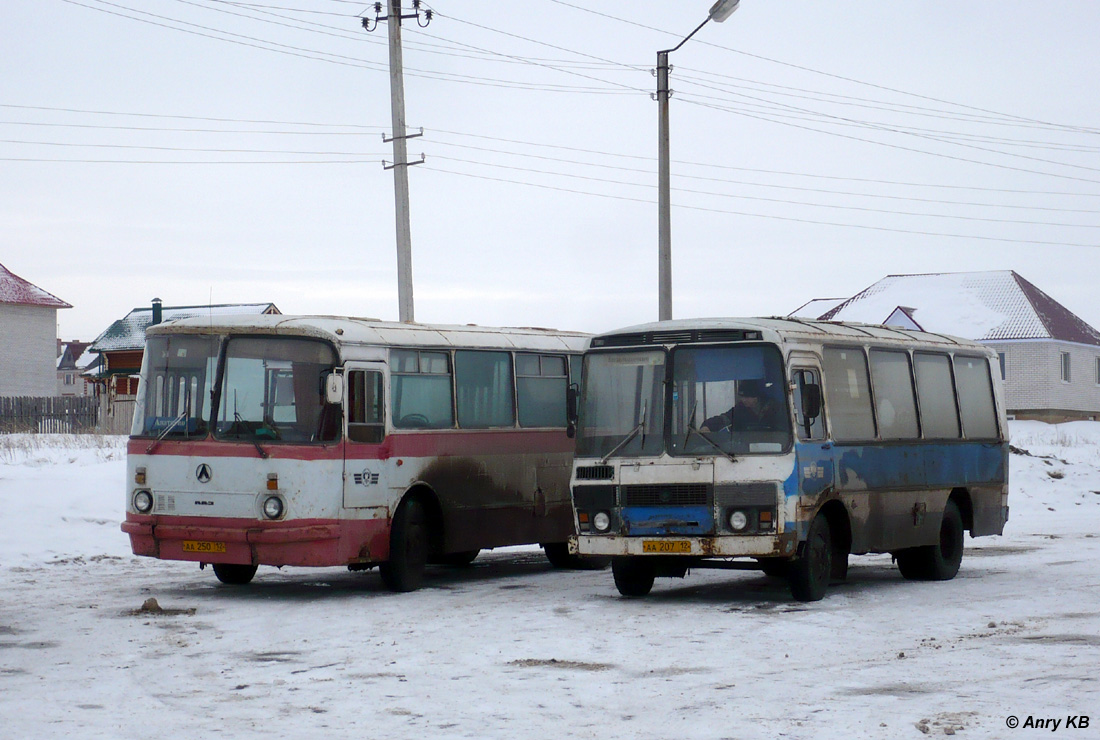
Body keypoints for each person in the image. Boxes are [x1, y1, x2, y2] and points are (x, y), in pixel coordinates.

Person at [701, 378, 784, 433]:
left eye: (747, 397)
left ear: (756, 396)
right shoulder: (740, 410)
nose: (743, 400)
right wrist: (708, 426)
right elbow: (725, 418)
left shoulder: (775, 408)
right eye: (742, 397)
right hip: (745, 452)